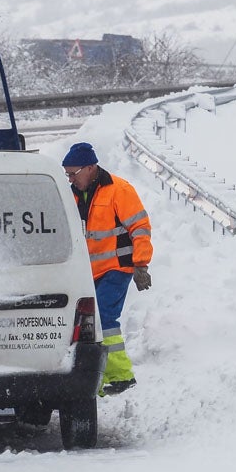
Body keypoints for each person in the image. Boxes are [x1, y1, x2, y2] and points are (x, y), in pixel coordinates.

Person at [62, 141, 152, 396]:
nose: (70, 179)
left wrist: (141, 265)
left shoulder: (119, 190)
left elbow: (140, 228)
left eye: (73, 173)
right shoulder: (73, 194)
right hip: (89, 273)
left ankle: (121, 376)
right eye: (67, 174)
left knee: (103, 319)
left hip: (117, 268)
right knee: (89, 323)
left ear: (90, 168)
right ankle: (99, 377)